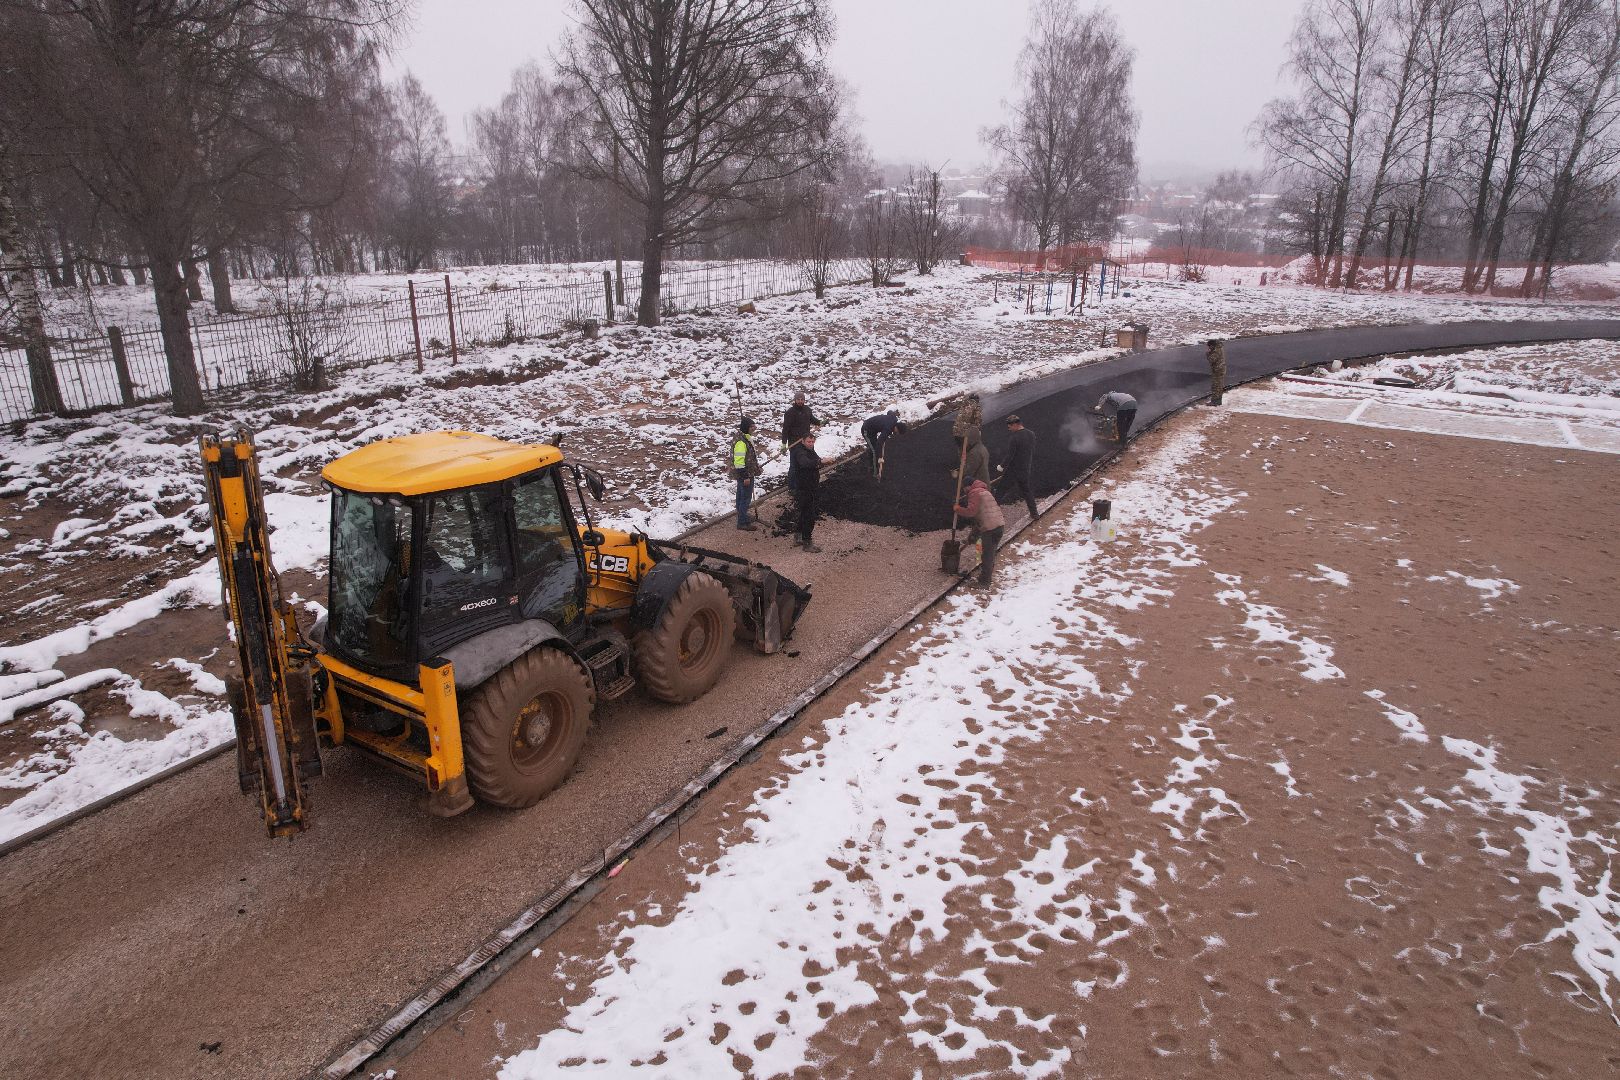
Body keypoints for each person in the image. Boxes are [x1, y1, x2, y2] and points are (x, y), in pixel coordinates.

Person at [953, 476, 1006, 588]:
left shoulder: (974, 493)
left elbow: (971, 512)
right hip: (999, 526)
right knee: (990, 554)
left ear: (968, 486)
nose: (964, 491)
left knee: (986, 556)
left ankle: (984, 583)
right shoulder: (984, 491)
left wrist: (958, 509)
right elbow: (980, 518)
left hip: (990, 529)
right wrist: (972, 537)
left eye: (964, 488)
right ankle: (985, 577)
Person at [995, 414, 1037, 519]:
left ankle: (991, 515)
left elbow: (1010, 455)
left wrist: (1001, 466)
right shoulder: (1031, 434)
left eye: (1009, 426)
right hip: (1025, 469)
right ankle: (1035, 513)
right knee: (1027, 491)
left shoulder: (1014, 438)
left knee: (1000, 491)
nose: (1009, 429)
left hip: (1013, 471)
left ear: (1015, 424)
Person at [788, 431, 822, 552]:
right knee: (809, 515)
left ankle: (798, 537)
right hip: (804, 488)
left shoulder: (810, 450)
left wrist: (820, 462)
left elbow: (816, 460)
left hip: (810, 486)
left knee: (804, 513)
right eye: (809, 441)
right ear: (802, 441)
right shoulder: (799, 452)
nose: (811, 444)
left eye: (813, 442)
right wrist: (819, 462)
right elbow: (805, 463)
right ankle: (807, 543)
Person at [781, 391, 819, 492]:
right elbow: (785, 429)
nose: (800, 401)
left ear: (804, 400)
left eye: (802, 399)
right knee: (794, 466)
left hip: (807, 441)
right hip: (795, 443)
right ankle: (792, 487)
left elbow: (812, 419)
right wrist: (784, 444)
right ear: (795, 400)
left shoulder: (807, 410)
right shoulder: (790, 413)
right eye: (798, 399)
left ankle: (806, 483)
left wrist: (820, 422)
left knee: (808, 462)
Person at [731, 417, 761, 530]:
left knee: (740, 496)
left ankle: (741, 515)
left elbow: (748, 457)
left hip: (745, 473)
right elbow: (739, 462)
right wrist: (745, 477)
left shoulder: (744, 437)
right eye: (751, 427)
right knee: (745, 498)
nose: (754, 428)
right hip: (744, 474)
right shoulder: (741, 442)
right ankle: (742, 522)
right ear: (746, 428)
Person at [861, 409, 907, 476]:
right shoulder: (887, 429)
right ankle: (874, 472)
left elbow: (890, 411)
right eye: (897, 432)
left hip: (873, 430)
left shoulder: (894, 418)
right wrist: (880, 457)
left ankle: (871, 462)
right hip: (866, 430)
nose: (896, 433)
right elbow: (879, 442)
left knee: (874, 448)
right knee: (874, 450)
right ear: (897, 428)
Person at [1206, 338, 1227, 406]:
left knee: (1216, 386)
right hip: (1219, 369)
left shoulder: (1216, 351)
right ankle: (1217, 400)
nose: (1209, 348)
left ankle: (1216, 401)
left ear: (1212, 345)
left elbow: (1212, 360)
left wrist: (1208, 353)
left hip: (1218, 370)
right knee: (1218, 386)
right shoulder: (1218, 348)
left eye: (1209, 346)